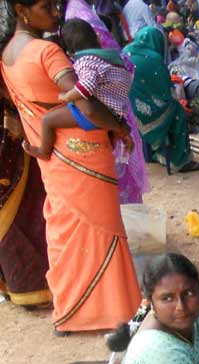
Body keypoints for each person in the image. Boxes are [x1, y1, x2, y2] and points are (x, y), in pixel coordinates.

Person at [2, 0, 140, 333]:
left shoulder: (7, 54)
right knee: (104, 230)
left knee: (65, 228)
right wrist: (120, 127)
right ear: (22, 9)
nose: (55, 13)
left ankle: (71, 310)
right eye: (46, 6)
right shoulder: (47, 53)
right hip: (83, 151)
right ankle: (115, 310)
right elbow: (85, 105)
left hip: (52, 158)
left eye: (56, 5)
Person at [66, 0, 149, 206]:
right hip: (104, 107)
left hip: (104, 106)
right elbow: (88, 85)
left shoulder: (79, 12)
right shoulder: (81, 15)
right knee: (115, 169)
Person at [24, 19, 132, 161]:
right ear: (97, 38)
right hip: (116, 108)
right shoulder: (112, 58)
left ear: (69, 52)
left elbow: (86, 87)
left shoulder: (85, 62)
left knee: (47, 120)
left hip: (100, 111)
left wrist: (68, 95)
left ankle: (43, 151)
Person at [124, 26, 199, 173]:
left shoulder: (126, 52)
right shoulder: (154, 59)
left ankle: (153, 153)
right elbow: (165, 91)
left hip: (127, 108)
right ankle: (179, 161)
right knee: (178, 112)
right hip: (146, 113)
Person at [0, 110, 50, 309]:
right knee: (22, 210)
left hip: (11, 132)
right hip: (11, 137)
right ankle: (28, 287)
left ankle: (22, 285)